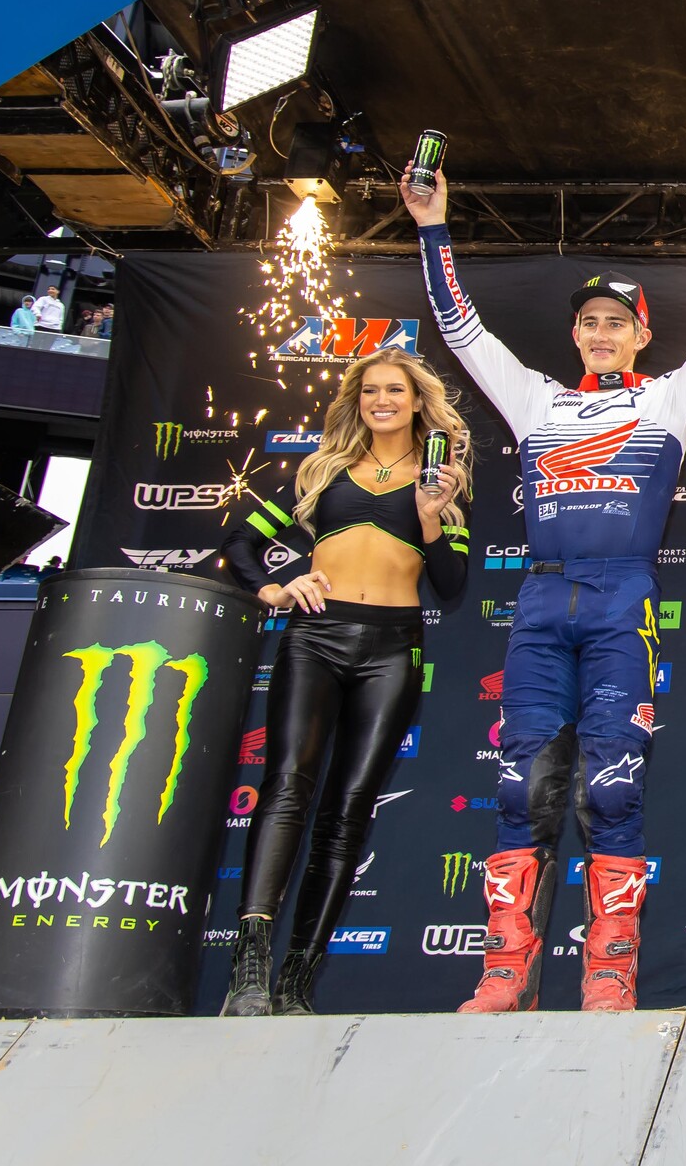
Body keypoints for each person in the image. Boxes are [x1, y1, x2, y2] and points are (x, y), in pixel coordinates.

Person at [405, 170, 686, 1013]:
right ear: (575, 334)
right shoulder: (538, 400)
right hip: (541, 601)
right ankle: (504, 971)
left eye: (618, 323)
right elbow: (459, 328)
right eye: (590, 322)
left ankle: (610, 971)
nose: (602, 333)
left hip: (621, 601)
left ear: (640, 336)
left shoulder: (669, 400)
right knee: (520, 783)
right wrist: (433, 224)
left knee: (613, 785)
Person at [218, 347, 471, 1014]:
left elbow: (452, 587)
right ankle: (248, 967)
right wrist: (274, 588)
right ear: (356, 402)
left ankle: (297, 977)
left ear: (419, 401)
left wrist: (429, 516)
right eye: (369, 392)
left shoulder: (444, 481)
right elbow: (240, 545)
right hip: (314, 638)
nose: (382, 400)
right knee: (285, 788)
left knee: (348, 810)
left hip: (394, 648)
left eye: (395, 390)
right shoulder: (321, 473)